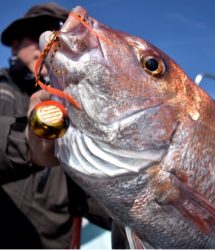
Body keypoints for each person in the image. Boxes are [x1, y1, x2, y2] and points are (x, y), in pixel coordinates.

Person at [0, 3, 113, 249]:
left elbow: (96, 197)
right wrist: (26, 140)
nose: (51, 41)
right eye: (39, 32)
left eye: (58, 34)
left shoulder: (78, 110)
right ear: (16, 45)